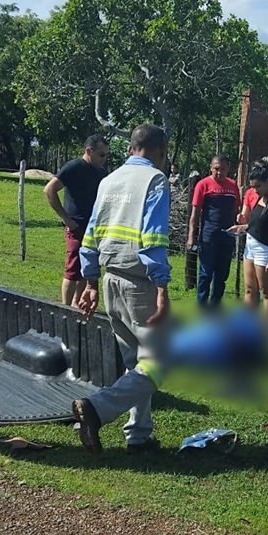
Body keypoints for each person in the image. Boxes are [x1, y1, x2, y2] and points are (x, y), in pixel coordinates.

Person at [73, 124, 172, 455]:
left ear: (130, 148)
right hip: (139, 283)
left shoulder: (108, 180)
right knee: (158, 363)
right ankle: (96, 409)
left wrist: (90, 282)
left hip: (110, 279)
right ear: (160, 152)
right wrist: (162, 286)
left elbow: (91, 233)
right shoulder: (155, 180)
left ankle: (138, 436)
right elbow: (154, 238)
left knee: (135, 362)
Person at [43, 136, 110, 307]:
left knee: (87, 268)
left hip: (93, 228)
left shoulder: (102, 173)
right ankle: (65, 308)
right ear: (89, 151)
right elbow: (49, 190)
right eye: (101, 155)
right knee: (73, 269)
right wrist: (66, 219)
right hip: (76, 227)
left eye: (106, 155)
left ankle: (76, 305)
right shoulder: (73, 167)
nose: (104, 159)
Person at [228, 159, 268, 319]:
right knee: (250, 289)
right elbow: (258, 224)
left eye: (258, 186)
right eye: (253, 187)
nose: (255, 190)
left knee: (267, 291)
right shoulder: (260, 199)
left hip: (266, 251)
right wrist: (241, 227)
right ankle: (247, 324)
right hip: (251, 249)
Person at [187, 154, 240, 309]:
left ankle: (215, 306)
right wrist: (191, 237)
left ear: (228, 169)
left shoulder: (233, 185)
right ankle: (202, 307)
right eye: (216, 169)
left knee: (222, 274)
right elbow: (195, 213)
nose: (219, 172)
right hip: (208, 236)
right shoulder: (203, 185)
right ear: (211, 168)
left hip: (227, 236)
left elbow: (236, 209)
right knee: (206, 273)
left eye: (222, 169)